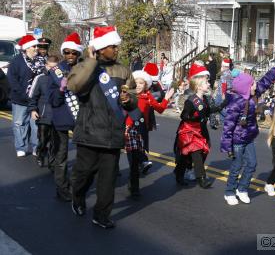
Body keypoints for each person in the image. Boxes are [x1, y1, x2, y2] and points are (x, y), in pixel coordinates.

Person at [67, 26, 137, 229]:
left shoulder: (123, 70)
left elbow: (133, 98)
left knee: (108, 179)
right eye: (112, 46)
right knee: (84, 174)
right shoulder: (83, 66)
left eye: (115, 46)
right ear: (100, 47)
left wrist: (128, 99)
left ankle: (101, 214)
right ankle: (78, 196)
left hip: (113, 133)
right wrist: (91, 61)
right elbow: (75, 86)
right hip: (89, 132)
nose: (116, 50)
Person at [221, 57, 275, 205]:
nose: (256, 85)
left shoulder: (254, 95)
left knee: (252, 163)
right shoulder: (236, 103)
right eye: (252, 84)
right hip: (237, 140)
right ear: (245, 87)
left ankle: (242, 189)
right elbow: (228, 126)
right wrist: (226, 145)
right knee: (237, 166)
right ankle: (229, 192)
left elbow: (266, 79)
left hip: (248, 137)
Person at [173, 61, 226, 188]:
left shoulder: (205, 99)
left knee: (200, 152)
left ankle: (181, 172)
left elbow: (208, 110)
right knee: (194, 152)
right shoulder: (191, 101)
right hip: (189, 130)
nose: (209, 84)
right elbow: (184, 116)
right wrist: (191, 117)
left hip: (200, 129)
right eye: (206, 82)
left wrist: (222, 105)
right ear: (198, 85)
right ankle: (201, 178)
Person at [125, 69, 174, 198]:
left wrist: (166, 99)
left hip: (141, 131)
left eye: (142, 83)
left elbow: (160, 109)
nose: (139, 85)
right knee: (132, 160)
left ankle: (134, 186)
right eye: (136, 82)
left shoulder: (147, 96)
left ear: (146, 85)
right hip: (128, 130)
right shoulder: (127, 95)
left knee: (135, 161)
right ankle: (132, 186)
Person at [47, 32, 84, 202]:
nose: (70, 55)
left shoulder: (84, 69)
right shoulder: (56, 72)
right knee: (61, 156)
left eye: (74, 52)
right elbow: (53, 101)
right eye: (67, 52)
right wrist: (61, 89)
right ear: (63, 53)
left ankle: (76, 186)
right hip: (61, 119)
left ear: (78, 53)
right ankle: (61, 188)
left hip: (81, 119)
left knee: (84, 157)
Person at [8, 35, 45, 157]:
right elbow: (13, 80)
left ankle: (36, 147)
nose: (36, 48)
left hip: (36, 101)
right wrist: (23, 94)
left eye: (36, 46)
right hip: (20, 99)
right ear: (26, 48)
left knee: (35, 125)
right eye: (33, 46)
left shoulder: (41, 61)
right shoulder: (16, 61)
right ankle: (21, 147)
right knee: (19, 124)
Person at [28, 54, 59, 168]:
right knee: (42, 139)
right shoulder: (40, 78)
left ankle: (52, 162)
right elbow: (32, 96)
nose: (52, 69)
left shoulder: (61, 78)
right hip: (43, 115)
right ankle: (40, 154)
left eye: (55, 67)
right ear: (46, 65)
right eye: (50, 67)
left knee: (55, 142)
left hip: (56, 116)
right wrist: (32, 110)